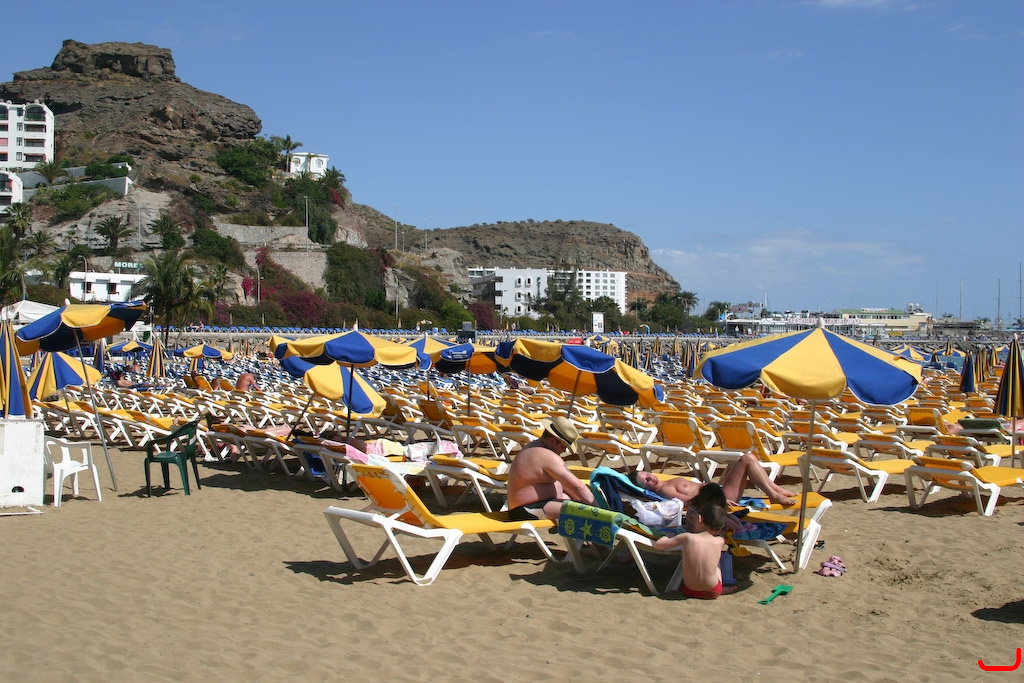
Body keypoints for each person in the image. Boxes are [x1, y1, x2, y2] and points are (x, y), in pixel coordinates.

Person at [506, 416, 596, 521]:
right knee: (586, 512)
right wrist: (599, 511)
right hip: (526, 509)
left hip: (528, 506)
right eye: (564, 446)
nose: (564, 451)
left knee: (579, 502)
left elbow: (568, 485)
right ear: (553, 440)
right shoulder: (547, 456)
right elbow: (578, 487)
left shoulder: (533, 447)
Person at [630, 451, 797, 506]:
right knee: (746, 459)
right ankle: (774, 494)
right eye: (646, 481)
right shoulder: (665, 489)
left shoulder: (666, 481)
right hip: (719, 497)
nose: (650, 478)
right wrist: (720, 501)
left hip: (718, 491)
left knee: (750, 457)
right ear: (646, 487)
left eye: (647, 474)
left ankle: (776, 490)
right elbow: (689, 501)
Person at [654, 502, 730, 599]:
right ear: (720, 528)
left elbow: (658, 545)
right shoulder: (719, 541)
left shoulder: (687, 538)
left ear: (699, 519)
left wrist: (667, 536)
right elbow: (721, 536)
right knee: (716, 562)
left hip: (689, 591)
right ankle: (721, 588)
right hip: (713, 591)